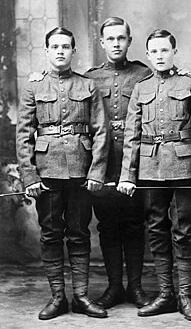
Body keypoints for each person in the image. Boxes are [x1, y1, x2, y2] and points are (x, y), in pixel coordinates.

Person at [85, 17, 191, 310]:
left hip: (140, 161)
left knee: (135, 223)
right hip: (103, 160)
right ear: (102, 42)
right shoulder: (89, 78)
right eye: (111, 39)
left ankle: (135, 287)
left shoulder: (145, 74)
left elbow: (167, 83)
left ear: (129, 41)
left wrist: (177, 73)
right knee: (107, 225)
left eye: (122, 38)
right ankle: (114, 287)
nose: (116, 44)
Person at [118, 29, 191, 321]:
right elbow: (131, 136)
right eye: (154, 52)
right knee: (156, 227)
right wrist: (127, 176)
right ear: (147, 56)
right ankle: (165, 294)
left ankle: (184, 296)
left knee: (183, 227)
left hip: (184, 167)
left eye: (164, 50)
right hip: (149, 168)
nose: (159, 56)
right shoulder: (141, 87)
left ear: (174, 52)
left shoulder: (190, 83)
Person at [16, 27, 109, 320]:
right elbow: (23, 136)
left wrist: (97, 171)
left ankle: (81, 296)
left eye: (65, 47)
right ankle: (58, 298)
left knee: (80, 233)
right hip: (46, 171)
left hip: (81, 170)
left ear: (73, 51)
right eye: (54, 47)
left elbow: (101, 131)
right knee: (51, 234)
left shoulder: (87, 86)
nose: (60, 51)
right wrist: (29, 176)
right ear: (47, 51)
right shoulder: (34, 87)